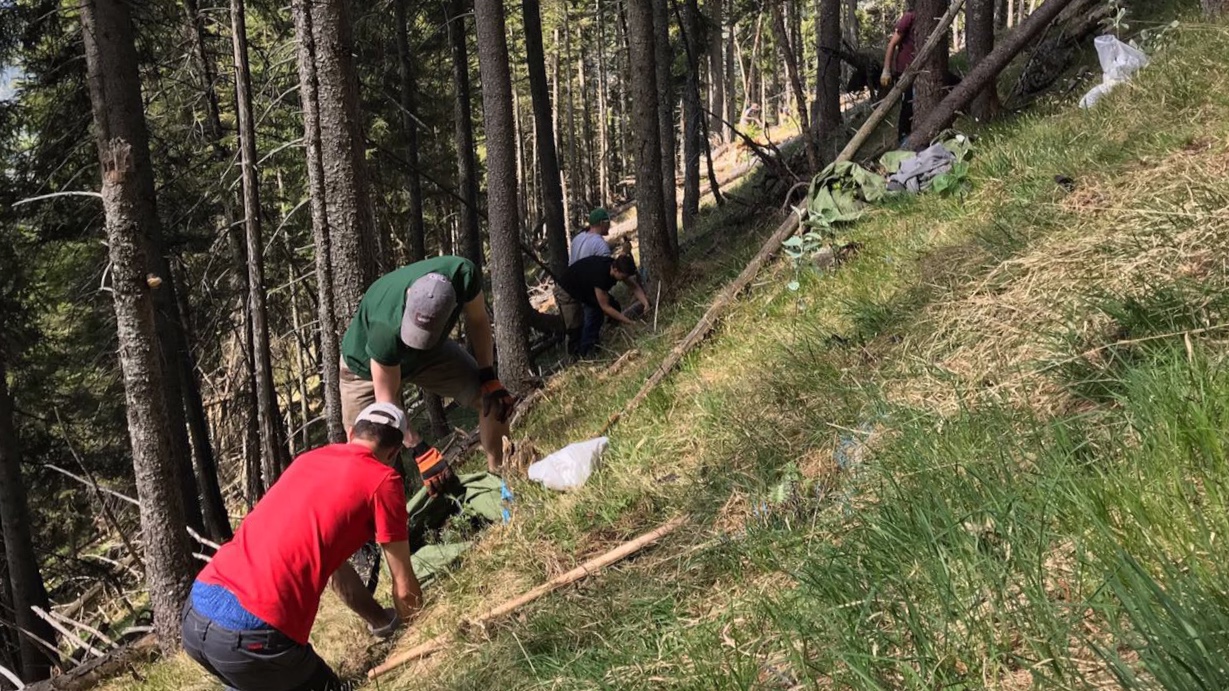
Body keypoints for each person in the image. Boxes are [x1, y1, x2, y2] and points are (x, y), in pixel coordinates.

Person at [182, 403, 421, 691]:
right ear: (394, 453)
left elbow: (337, 573)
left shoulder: (308, 461)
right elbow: (404, 586)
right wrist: (418, 631)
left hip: (196, 615)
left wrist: (381, 621)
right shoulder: (383, 479)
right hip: (253, 634)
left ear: (350, 433)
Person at [556, 254, 650, 357]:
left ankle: (596, 343)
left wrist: (645, 303)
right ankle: (581, 355)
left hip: (586, 288)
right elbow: (605, 307)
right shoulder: (601, 276)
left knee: (609, 308)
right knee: (575, 328)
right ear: (615, 270)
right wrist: (628, 322)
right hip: (567, 290)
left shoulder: (616, 266)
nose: (624, 279)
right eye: (623, 277)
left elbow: (634, 286)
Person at [881, 0, 917, 143]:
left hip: (923, 68)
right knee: (908, 104)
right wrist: (886, 70)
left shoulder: (936, 17)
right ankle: (903, 139)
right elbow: (892, 44)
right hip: (905, 70)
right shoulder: (910, 17)